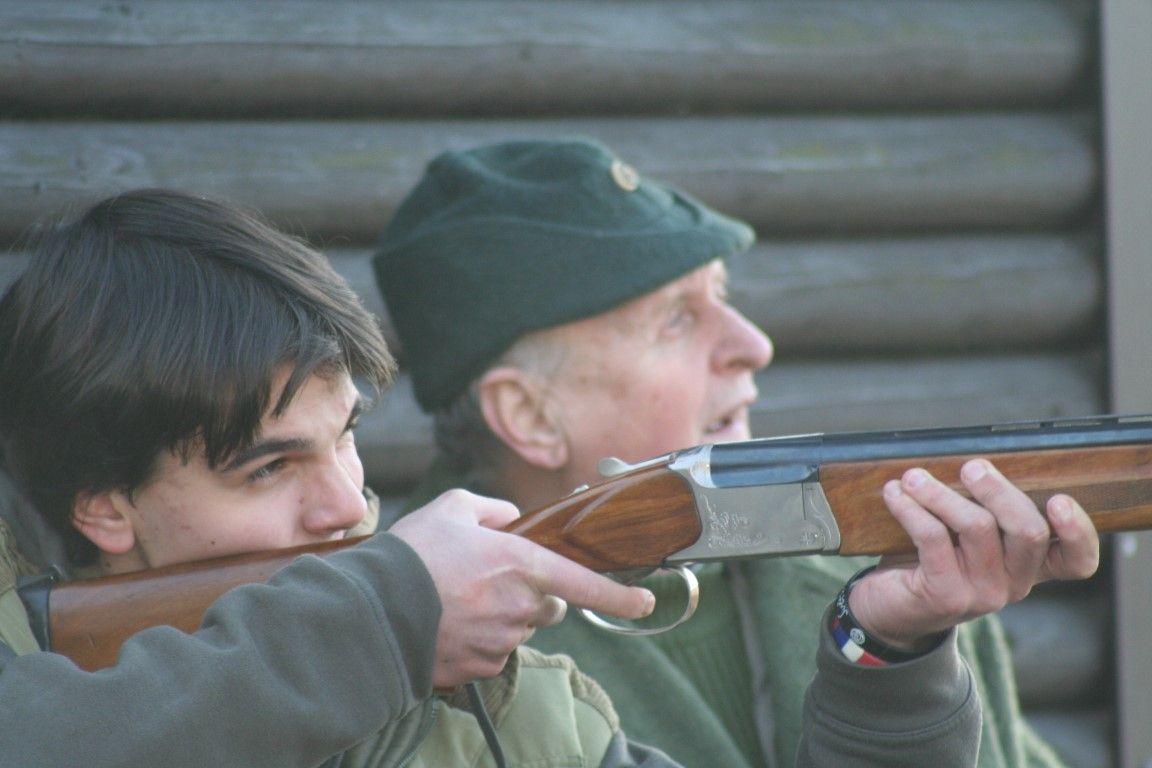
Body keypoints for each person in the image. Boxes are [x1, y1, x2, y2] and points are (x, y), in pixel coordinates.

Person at [373, 138, 1101, 767]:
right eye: (677, 320)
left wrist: (899, 652)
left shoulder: (893, 577)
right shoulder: (442, 673)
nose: (753, 345)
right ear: (531, 415)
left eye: (722, 296)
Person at [0, 189, 668, 768]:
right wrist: (382, 623)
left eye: (345, 435)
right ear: (105, 510)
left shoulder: (521, 714)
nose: (347, 505)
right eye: (270, 469)